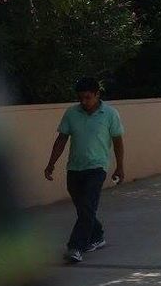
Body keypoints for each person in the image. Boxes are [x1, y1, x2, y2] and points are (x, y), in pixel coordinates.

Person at [44, 77, 124, 264]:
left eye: (88, 97)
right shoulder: (72, 113)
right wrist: (51, 163)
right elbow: (61, 139)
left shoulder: (110, 114)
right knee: (84, 209)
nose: (84, 102)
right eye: (80, 98)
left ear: (97, 94)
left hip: (97, 168)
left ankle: (76, 247)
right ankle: (97, 236)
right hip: (74, 168)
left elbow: (118, 142)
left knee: (87, 206)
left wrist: (120, 167)